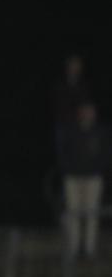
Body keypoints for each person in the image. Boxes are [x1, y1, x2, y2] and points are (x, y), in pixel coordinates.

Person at [56, 101, 108, 260]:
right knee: (73, 212)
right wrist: (68, 168)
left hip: (93, 177)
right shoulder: (70, 130)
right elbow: (62, 151)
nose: (87, 114)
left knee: (92, 213)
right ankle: (73, 248)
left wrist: (99, 168)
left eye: (90, 111)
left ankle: (89, 249)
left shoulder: (101, 131)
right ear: (79, 113)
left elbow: (106, 153)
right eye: (84, 111)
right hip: (73, 177)